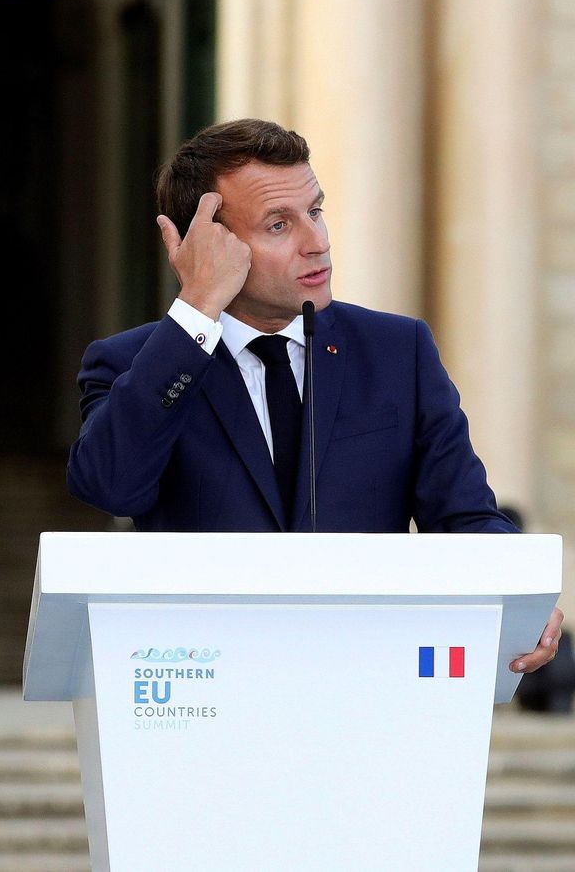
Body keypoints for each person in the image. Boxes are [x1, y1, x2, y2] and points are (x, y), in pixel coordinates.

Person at [65, 118, 562, 673]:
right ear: (208, 246)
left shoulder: (398, 352)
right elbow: (109, 485)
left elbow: (465, 516)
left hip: (369, 680)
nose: (317, 242)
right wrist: (196, 310)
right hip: (201, 689)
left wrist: (522, 589)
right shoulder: (135, 364)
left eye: (316, 212)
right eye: (279, 225)